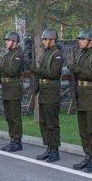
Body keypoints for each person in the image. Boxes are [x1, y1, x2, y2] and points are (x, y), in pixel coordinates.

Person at [71, 29, 92, 172]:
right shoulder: (80, 56)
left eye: (82, 39)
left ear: (91, 41)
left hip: (91, 97)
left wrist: (77, 70)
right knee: (83, 129)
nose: (80, 41)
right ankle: (87, 155)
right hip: (81, 95)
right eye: (79, 39)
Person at [30, 29, 64, 162]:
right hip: (44, 92)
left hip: (51, 92)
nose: (43, 42)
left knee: (52, 122)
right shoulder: (46, 54)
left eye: (45, 39)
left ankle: (55, 150)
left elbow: (54, 74)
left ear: (52, 39)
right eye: (43, 39)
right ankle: (49, 148)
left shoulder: (57, 55)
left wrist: (36, 70)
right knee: (44, 122)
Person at [0, 32, 24, 152]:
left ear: (15, 42)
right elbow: (2, 71)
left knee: (15, 116)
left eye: (8, 40)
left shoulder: (17, 55)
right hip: (6, 88)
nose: (6, 42)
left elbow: (12, 71)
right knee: (9, 117)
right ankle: (12, 138)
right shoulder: (7, 55)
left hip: (13, 88)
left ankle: (17, 141)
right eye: (6, 40)